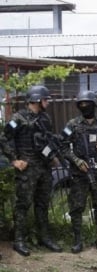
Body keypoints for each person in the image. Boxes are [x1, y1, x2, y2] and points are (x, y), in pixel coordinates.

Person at [0, 85, 62, 256]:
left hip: (44, 168)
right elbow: (4, 138)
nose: (47, 102)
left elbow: (46, 140)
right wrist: (14, 160)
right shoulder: (17, 118)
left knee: (42, 204)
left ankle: (44, 237)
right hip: (27, 169)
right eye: (45, 99)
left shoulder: (45, 119)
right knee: (23, 204)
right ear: (36, 100)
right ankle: (19, 240)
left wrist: (53, 157)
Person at [60, 90, 97, 253]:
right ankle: (78, 241)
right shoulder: (72, 125)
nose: (84, 107)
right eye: (81, 104)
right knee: (77, 206)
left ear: (94, 105)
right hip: (79, 173)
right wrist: (76, 161)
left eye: (87, 104)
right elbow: (62, 146)